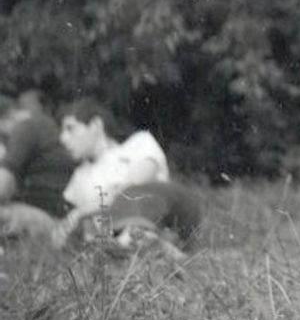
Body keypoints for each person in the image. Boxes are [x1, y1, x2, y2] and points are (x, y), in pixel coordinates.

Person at [55, 99, 202, 250]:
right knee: (87, 231)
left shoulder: (138, 143)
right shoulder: (78, 179)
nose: (63, 138)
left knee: (133, 192)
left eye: (70, 129)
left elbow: (136, 181)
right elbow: (71, 228)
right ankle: (146, 244)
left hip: (172, 216)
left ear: (96, 125)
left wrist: (81, 211)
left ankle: (136, 238)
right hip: (115, 231)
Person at [0, 90, 75, 237]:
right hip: (55, 216)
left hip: (57, 222)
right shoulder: (39, 125)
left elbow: (3, 185)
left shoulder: (25, 127)